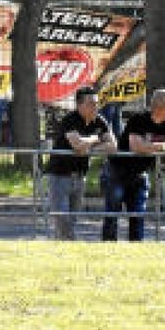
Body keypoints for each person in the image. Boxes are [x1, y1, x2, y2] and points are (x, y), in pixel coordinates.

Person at [101, 89, 165, 242]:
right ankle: (108, 246)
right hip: (118, 172)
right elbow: (136, 146)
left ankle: (136, 247)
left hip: (139, 174)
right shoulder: (139, 119)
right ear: (161, 107)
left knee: (138, 215)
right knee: (112, 214)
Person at [46, 86, 116, 240]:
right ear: (79, 105)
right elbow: (77, 145)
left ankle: (61, 249)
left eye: (97, 103)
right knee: (61, 218)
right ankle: (71, 245)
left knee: (72, 219)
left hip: (80, 176)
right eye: (91, 103)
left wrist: (88, 149)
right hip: (59, 176)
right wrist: (95, 139)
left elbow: (113, 146)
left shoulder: (100, 121)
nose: (96, 107)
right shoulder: (69, 120)